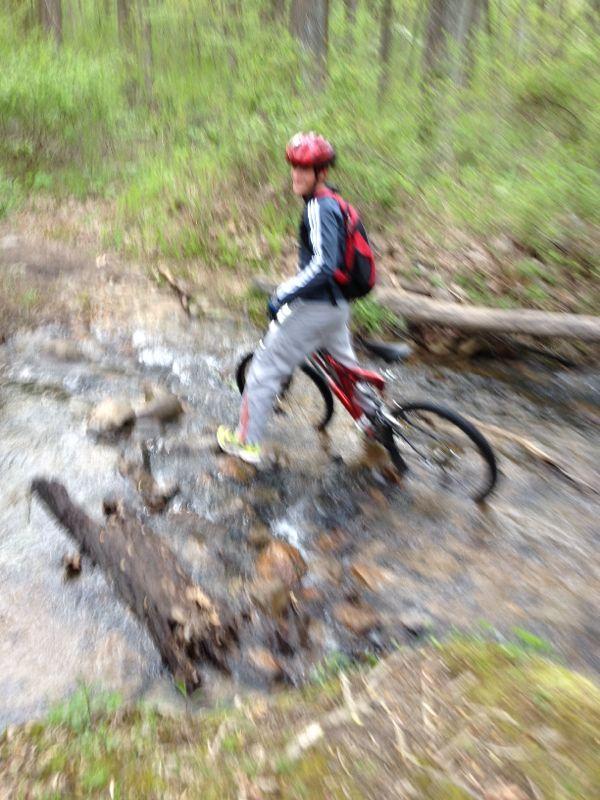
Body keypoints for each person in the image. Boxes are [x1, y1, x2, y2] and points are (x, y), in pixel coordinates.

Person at [217, 132, 358, 464]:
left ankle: (246, 443)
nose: (296, 174)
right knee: (348, 374)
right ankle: (376, 423)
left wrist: (282, 293)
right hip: (337, 307)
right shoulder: (333, 202)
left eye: (305, 169)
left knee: (263, 371)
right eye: (294, 167)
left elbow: (324, 264)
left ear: (322, 173)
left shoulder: (318, 208)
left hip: (317, 307)